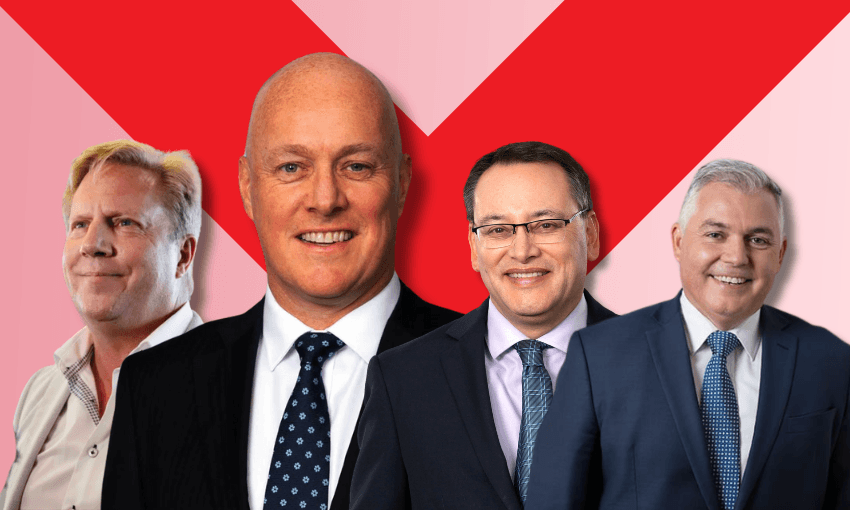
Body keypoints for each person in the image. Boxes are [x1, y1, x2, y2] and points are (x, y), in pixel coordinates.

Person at [101, 53, 460, 510]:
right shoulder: (154, 387)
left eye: (357, 166)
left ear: (403, 182)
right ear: (248, 188)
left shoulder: (487, 372)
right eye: (292, 167)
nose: (325, 199)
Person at [526, 159, 850, 510]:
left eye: (758, 239)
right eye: (715, 235)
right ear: (679, 241)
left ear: (780, 254)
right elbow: (554, 500)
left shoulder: (831, 361)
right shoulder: (598, 354)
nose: (736, 256)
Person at [351, 141, 616, 509]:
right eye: (497, 230)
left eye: (546, 225)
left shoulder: (662, 365)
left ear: (590, 234)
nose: (522, 251)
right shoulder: (402, 380)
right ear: (474, 248)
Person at [0, 140, 203, 510]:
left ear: (183, 256)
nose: (92, 244)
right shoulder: (41, 391)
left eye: (124, 223)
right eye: (80, 224)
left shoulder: (238, 390)